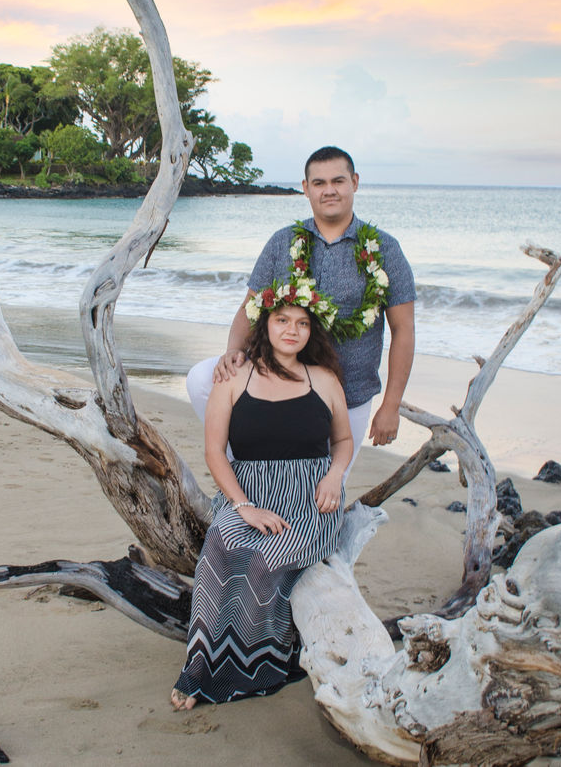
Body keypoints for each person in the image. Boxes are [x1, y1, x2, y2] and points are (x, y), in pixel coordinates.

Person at [171, 295, 353, 710]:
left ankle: (260, 663)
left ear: (312, 332)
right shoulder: (233, 378)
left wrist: (335, 475)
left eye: (303, 323)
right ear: (264, 325)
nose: (292, 330)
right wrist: (242, 506)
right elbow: (215, 452)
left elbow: (342, 441)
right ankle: (200, 668)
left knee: (263, 559)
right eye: (283, 320)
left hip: (311, 499)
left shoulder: (323, 379)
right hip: (248, 493)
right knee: (221, 549)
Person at [186, 145, 415, 471]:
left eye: (338, 181)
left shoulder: (385, 250)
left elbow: (403, 329)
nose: (329, 190)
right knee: (200, 379)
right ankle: (244, 469)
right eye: (319, 183)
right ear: (306, 188)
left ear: (355, 182)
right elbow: (250, 306)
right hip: (271, 382)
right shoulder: (282, 242)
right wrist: (233, 351)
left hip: (346, 393)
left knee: (322, 495)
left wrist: (391, 405)